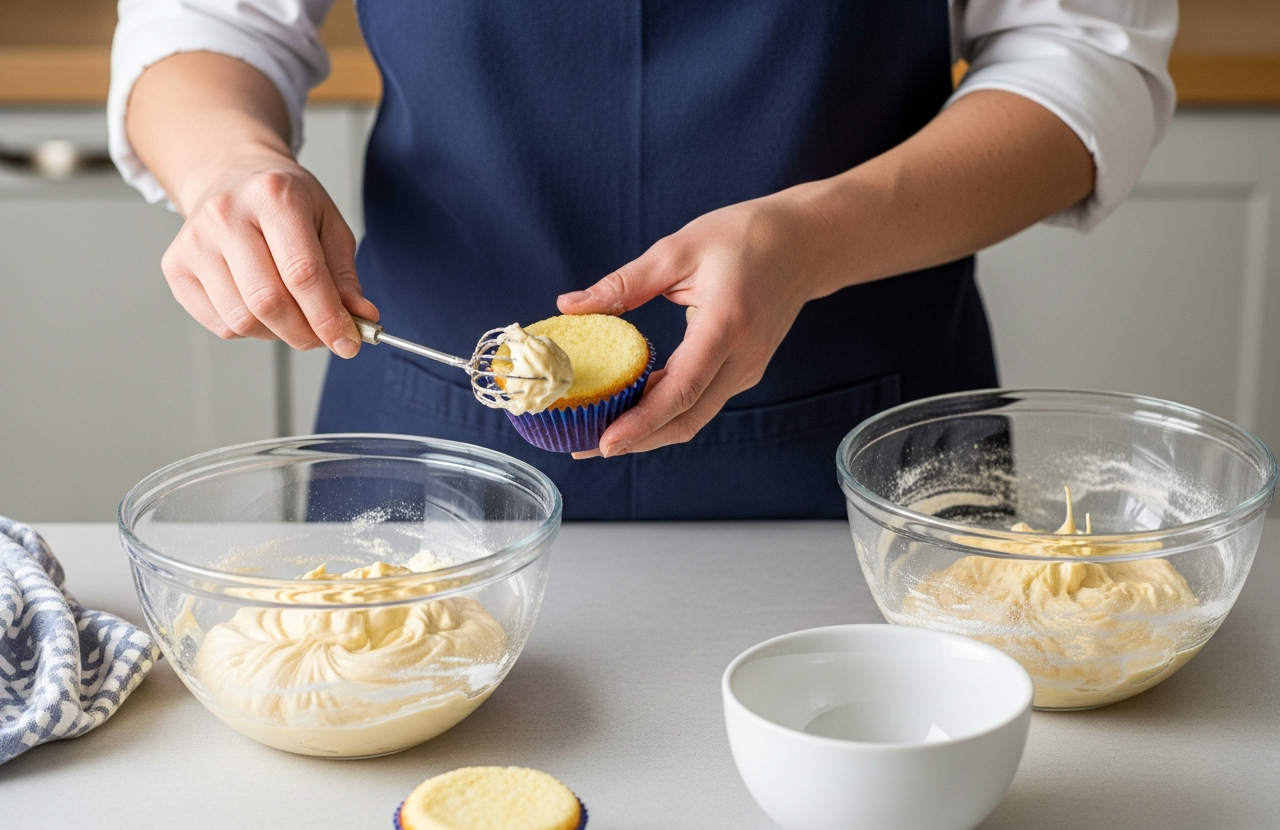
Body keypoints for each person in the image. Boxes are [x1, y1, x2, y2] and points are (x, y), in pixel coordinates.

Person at [110, 1, 1177, 520]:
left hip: (868, 455)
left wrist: (814, 237)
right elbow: (206, 24)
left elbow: (1079, 51)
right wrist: (229, 166)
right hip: (426, 439)